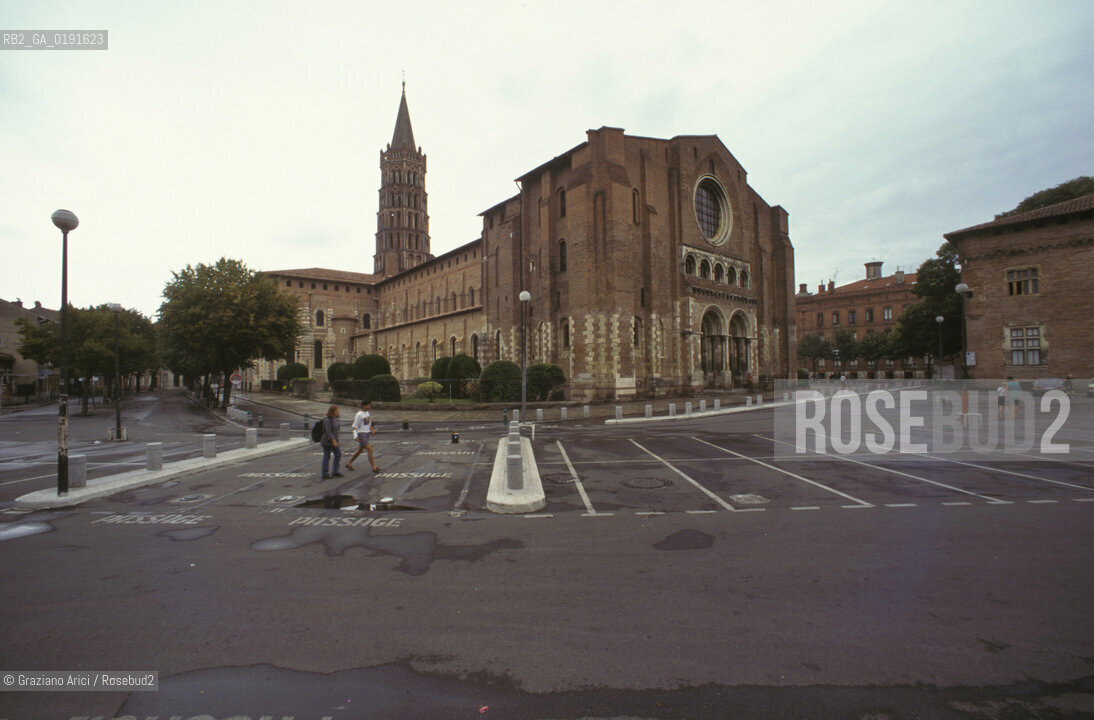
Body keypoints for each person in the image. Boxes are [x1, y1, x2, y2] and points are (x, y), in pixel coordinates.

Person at [346, 399, 382, 473]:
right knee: (369, 449)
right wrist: (355, 436)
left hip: (366, 433)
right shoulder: (359, 415)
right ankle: (373, 467)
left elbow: (368, 423)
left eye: (370, 405)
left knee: (360, 450)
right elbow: (355, 426)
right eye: (368, 405)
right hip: (361, 434)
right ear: (363, 406)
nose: (369, 407)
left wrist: (371, 429)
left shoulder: (367, 413)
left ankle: (349, 463)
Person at [320, 404, 343, 479]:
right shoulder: (327, 420)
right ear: (332, 411)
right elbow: (328, 432)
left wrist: (336, 441)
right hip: (327, 442)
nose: (338, 412)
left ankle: (335, 471)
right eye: (337, 411)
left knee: (338, 455)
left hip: (334, 441)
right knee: (327, 456)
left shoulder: (334, 419)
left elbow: (336, 430)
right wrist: (333, 440)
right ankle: (324, 473)